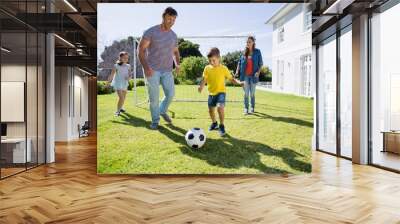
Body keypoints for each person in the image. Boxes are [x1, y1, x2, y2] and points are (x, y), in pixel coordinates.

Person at [138, 7, 180, 130]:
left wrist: (177, 64)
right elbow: (140, 50)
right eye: (169, 19)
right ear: (163, 17)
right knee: (154, 98)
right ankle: (155, 121)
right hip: (152, 69)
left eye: (173, 20)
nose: (171, 22)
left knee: (171, 94)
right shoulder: (151, 32)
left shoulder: (173, 36)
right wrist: (146, 68)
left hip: (167, 70)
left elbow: (175, 52)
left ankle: (162, 110)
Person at [198, 47, 242, 136]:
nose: (211, 62)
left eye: (213, 60)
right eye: (210, 60)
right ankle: (214, 123)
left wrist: (239, 82)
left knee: (219, 108)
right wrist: (201, 87)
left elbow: (231, 79)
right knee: (211, 111)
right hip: (211, 93)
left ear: (219, 58)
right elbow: (204, 79)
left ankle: (221, 125)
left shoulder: (224, 68)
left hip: (221, 92)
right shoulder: (207, 68)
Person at [235, 36, 263, 115]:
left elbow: (260, 63)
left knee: (252, 93)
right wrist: (237, 71)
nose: (248, 43)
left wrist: (258, 72)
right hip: (245, 76)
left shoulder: (257, 52)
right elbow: (239, 62)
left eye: (249, 42)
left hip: (254, 76)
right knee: (246, 94)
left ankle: (252, 107)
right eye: (247, 42)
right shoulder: (244, 52)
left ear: (253, 42)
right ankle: (246, 108)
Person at [108, 51, 132, 116]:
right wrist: (108, 82)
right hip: (118, 83)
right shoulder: (116, 66)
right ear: (120, 58)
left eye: (127, 58)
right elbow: (112, 75)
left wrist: (129, 78)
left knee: (123, 98)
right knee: (121, 98)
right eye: (124, 58)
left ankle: (121, 108)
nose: (126, 59)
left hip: (125, 83)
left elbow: (130, 75)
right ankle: (117, 111)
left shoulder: (128, 66)